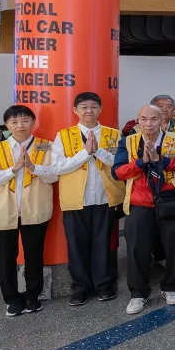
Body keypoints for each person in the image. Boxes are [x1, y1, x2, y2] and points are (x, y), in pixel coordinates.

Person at [113, 104, 175, 314]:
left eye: (153, 119)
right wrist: (141, 162)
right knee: (137, 250)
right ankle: (138, 293)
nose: (148, 124)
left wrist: (163, 161)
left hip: (171, 200)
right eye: (144, 119)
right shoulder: (128, 142)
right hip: (139, 202)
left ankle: (172, 287)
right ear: (138, 121)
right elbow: (118, 172)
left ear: (163, 121)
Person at [0, 105, 58, 317]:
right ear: (7, 125)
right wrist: (14, 169)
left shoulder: (46, 147)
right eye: (14, 122)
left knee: (34, 255)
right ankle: (11, 299)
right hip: (3, 209)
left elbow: (54, 176)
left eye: (25, 120)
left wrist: (33, 168)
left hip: (35, 208)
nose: (20, 126)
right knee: (6, 257)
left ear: (33, 122)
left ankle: (33, 296)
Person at [51, 92, 124, 306]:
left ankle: (104, 285)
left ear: (100, 109)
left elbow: (118, 162)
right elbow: (57, 167)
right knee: (76, 244)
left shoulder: (113, 134)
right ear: (75, 110)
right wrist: (85, 153)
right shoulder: (63, 136)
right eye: (83, 107)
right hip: (75, 199)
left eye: (93, 106)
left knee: (103, 243)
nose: (89, 111)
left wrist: (98, 151)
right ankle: (80, 287)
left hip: (105, 197)